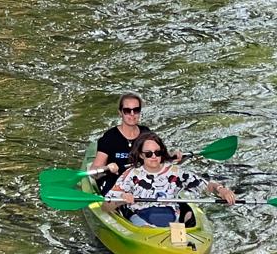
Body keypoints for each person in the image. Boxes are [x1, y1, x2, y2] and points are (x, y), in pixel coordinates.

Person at [104, 133, 235, 228]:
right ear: (141, 155)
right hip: (142, 218)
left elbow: (207, 185)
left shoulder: (176, 172)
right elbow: (106, 206)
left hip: (172, 218)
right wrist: (121, 199)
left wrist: (221, 190)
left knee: (186, 222)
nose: (154, 157)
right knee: (147, 229)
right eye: (149, 154)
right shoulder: (131, 175)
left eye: (157, 152)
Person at [89, 95, 181, 193]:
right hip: (115, 184)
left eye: (136, 110)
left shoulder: (147, 134)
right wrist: (107, 168)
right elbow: (94, 172)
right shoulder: (109, 137)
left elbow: (161, 160)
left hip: (143, 182)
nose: (132, 114)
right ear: (120, 112)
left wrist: (173, 157)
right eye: (127, 111)